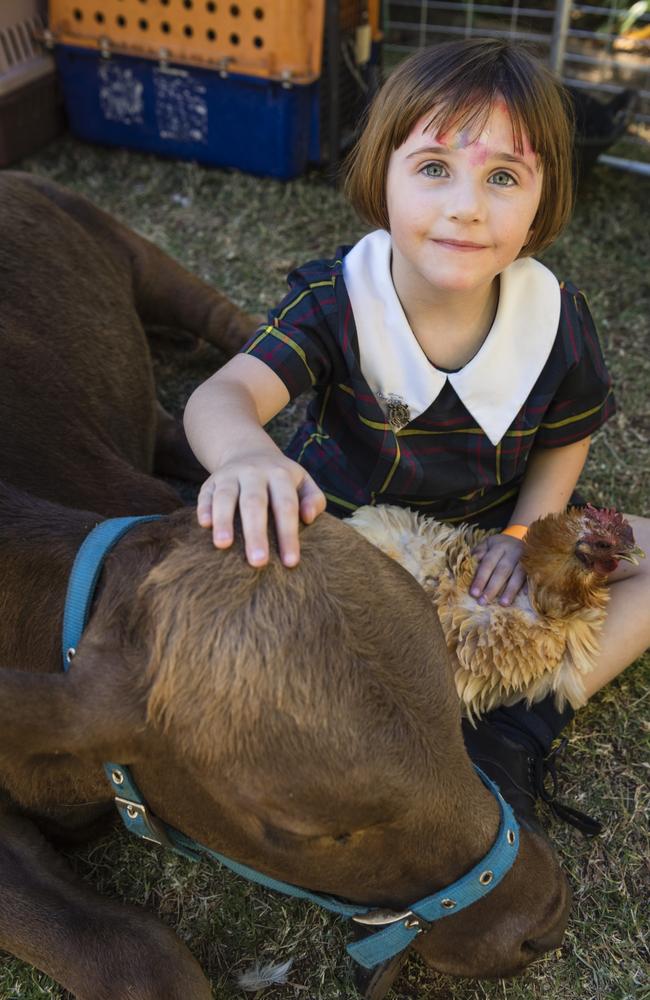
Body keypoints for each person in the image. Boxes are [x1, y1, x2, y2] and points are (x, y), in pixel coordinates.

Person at [184, 38, 650, 838]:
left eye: (503, 176)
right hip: (352, 549)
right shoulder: (340, 298)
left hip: (488, 548)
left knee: (642, 556)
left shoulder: (557, 317)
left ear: (543, 200)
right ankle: (421, 718)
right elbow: (221, 395)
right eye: (434, 167)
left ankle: (509, 737)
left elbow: (564, 439)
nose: (466, 204)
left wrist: (521, 536)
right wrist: (247, 454)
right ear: (382, 177)